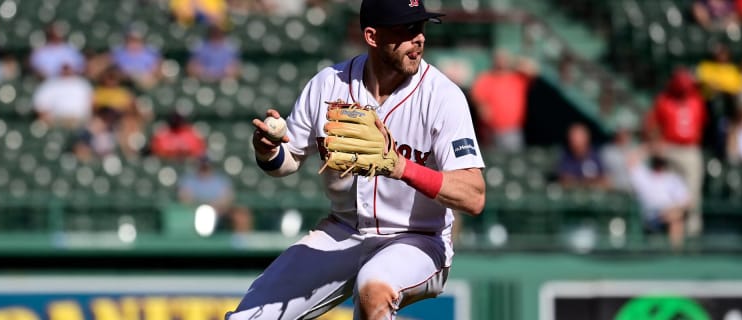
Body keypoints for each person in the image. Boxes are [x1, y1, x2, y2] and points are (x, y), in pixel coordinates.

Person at [227, 0, 486, 319]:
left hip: (417, 238)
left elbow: (474, 196)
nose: (417, 37)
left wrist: (400, 166)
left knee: (373, 289)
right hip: (343, 230)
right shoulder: (328, 84)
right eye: (404, 29)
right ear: (372, 36)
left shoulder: (443, 97)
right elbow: (288, 160)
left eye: (419, 27)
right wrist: (268, 151)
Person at [644, 68, 707, 236]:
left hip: (690, 149)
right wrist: (656, 143)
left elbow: (702, 124)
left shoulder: (696, 100)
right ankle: (668, 233)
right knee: (670, 194)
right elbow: (652, 125)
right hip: (669, 148)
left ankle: (692, 234)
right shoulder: (664, 100)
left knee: (692, 195)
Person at [470, 49, 536, 152]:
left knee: (515, 161)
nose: (501, 61)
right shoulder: (486, 78)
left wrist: (516, 62)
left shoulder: (518, 78)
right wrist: (481, 106)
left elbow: (533, 70)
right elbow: (475, 96)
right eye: (499, 59)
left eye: (504, 59)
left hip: (512, 131)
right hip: (490, 130)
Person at [628, 152, 690, 250]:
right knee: (673, 217)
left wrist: (669, 212)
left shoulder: (673, 178)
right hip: (650, 215)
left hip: (670, 213)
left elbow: (686, 202)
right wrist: (650, 149)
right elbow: (631, 161)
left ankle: (676, 254)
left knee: (676, 220)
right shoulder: (644, 176)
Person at [178, 157, 252, 233]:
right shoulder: (189, 180)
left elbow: (228, 198)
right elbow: (185, 198)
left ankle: (240, 242)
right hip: (193, 211)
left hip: (220, 211)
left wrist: (217, 207)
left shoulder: (221, 180)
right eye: (202, 165)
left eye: (206, 165)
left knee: (241, 214)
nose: (204, 167)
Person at [33, 63, 93, 128]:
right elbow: (40, 105)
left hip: (79, 120)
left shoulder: (83, 83)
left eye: (68, 68)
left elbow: (92, 103)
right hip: (57, 121)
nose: (66, 70)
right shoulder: (50, 83)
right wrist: (46, 120)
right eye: (64, 68)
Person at [556, 123, 609, 189]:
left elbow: (605, 181)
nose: (574, 140)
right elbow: (565, 181)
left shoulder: (596, 156)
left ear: (586, 138)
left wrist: (582, 181)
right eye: (572, 137)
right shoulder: (565, 157)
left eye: (578, 137)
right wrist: (588, 182)